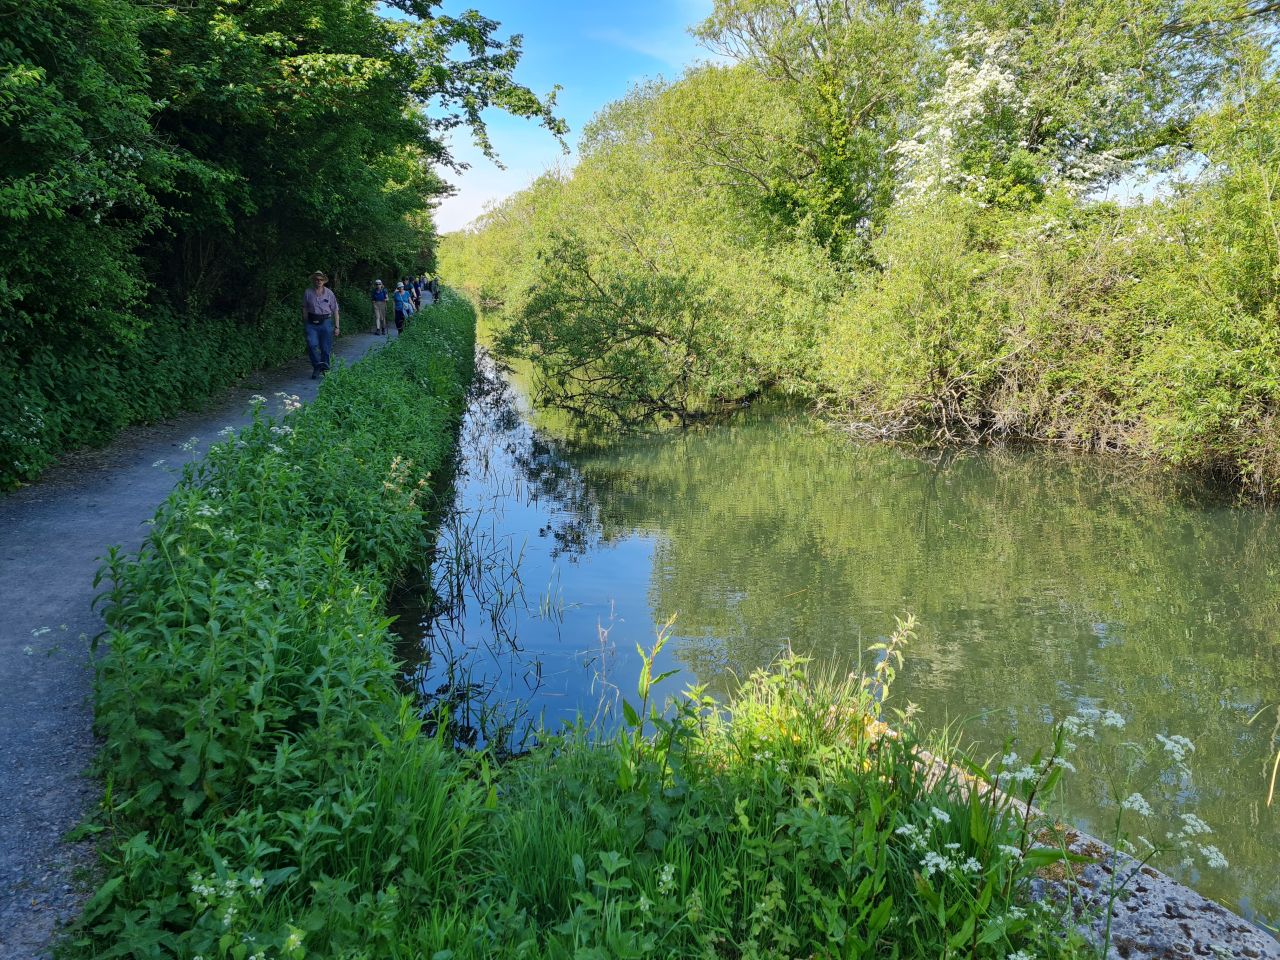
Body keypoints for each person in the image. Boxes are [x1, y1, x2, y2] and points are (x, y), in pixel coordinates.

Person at [302, 270, 340, 379]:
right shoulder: (308, 292)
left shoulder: (329, 293)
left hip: (325, 322)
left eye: (321, 279)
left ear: (324, 281)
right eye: (316, 279)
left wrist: (337, 327)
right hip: (311, 323)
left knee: (325, 348)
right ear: (313, 280)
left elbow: (335, 310)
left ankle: (325, 369)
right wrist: (305, 321)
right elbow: (304, 307)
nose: (319, 281)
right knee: (311, 344)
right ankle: (317, 366)